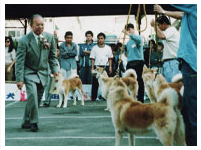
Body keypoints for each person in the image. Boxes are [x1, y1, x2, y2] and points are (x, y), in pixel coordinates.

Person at [154, 4, 197, 146]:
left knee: (178, 102)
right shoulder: (189, 14)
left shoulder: (171, 29)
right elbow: (183, 14)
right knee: (184, 105)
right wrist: (163, 12)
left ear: (164, 24)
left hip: (178, 64)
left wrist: (157, 20)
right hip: (178, 63)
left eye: (160, 25)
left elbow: (160, 35)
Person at [15, 14, 59, 132]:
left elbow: (52, 57)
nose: (40, 27)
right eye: (37, 25)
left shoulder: (49, 38)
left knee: (36, 99)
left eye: (42, 25)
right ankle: (34, 122)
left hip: (43, 73)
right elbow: (19, 61)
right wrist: (19, 79)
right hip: (29, 72)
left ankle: (26, 121)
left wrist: (55, 71)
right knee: (32, 96)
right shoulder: (24, 40)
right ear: (31, 25)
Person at [150, 15, 180, 82]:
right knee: (171, 84)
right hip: (170, 62)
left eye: (158, 25)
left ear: (164, 24)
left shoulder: (171, 29)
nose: (158, 27)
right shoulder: (169, 31)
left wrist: (154, 26)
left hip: (171, 62)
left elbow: (162, 36)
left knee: (173, 84)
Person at [123, 23, 144, 103]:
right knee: (127, 80)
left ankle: (140, 99)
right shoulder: (128, 43)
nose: (128, 31)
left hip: (138, 62)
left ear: (133, 29)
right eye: (127, 30)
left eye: (129, 29)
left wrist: (128, 34)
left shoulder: (138, 38)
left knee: (139, 80)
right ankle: (130, 98)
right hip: (130, 62)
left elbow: (138, 40)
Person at [90, 32, 113, 101]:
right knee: (95, 83)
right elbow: (92, 59)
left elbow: (110, 58)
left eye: (102, 38)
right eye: (99, 38)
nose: (100, 40)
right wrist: (92, 68)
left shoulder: (108, 48)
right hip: (97, 67)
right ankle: (93, 97)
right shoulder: (94, 48)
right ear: (97, 39)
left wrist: (110, 67)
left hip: (106, 66)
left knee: (106, 83)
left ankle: (106, 97)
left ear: (104, 39)